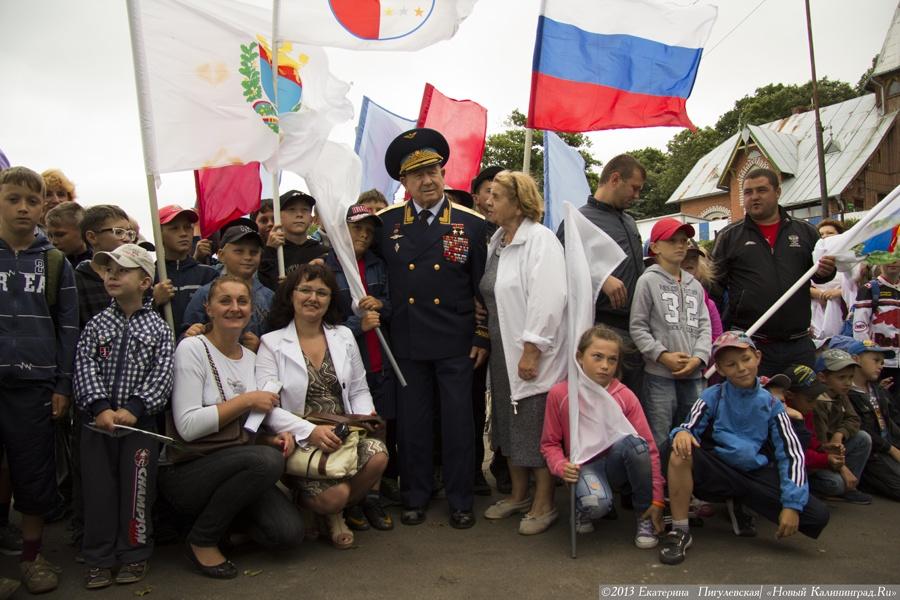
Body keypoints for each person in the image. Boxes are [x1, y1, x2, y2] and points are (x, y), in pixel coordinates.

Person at [377, 128, 489, 529]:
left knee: (459, 423)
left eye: (433, 171)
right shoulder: (385, 224)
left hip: (456, 340)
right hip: (407, 340)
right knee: (413, 425)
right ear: (404, 182)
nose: (427, 180)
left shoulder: (472, 225)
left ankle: (460, 500)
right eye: (417, 175)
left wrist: (482, 335)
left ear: (443, 173)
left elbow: (483, 289)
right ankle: (415, 495)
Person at [159, 275, 303, 579]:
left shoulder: (252, 358)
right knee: (266, 461)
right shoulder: (192, 348)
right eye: (225, 300)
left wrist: (273, 437)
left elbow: (245, 430)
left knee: (288, 534)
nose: (234, 307)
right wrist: (247, 400)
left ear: (251, 309)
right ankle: (203, 540)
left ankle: (224, 525)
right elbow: (187, 427)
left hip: (238, 465)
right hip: (191, 470)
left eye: (242, 301)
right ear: (209, 308)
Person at [660, 332, 829, 566]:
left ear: (758, 357)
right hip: (720, 469)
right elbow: (689, 426)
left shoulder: (772, 404)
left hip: (755, 473)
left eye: (746, 359)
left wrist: (792, 505)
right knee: (678, 448)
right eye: (731, 364)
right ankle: (680, 530)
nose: (741, 368)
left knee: (816, 516)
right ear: (720, 369)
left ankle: (742, 503)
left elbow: (791, 455)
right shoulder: (712, 395)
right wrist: (682, 433)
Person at [255, 265, 389, 549]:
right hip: (302, 438)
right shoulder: (271, 343)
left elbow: (359, 388)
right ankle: (321, 507)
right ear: (291, 295)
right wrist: (310, 432)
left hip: (344, 432)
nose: (312, 298)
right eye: (305, 290)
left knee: (378, 457)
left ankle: (332, 510)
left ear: (330, 299)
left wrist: (364, 418)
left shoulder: (344, 335)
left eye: (321, 292)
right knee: (334, 497)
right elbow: (268, 407)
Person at [73, 244, 174, 589]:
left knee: (137, 492)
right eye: (109, 271)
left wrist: (135, 408)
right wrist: (100, 407)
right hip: (97, 427)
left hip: (139, 428)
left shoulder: (159, 328)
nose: (112, 276)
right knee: (97, 492)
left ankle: (134, 552)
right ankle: (98, 557)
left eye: (123, 270)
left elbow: (162, 373)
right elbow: (84, 366)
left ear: (145, 282)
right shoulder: (96, 325)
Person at [0, 167, 79, 593]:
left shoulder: (54, 262)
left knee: (33, 474)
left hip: (35, 386)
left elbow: (68, 329)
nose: (23, 208)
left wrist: (62, 385)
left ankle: (32, 558)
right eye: (13, 199)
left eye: (32, 201)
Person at [478, 170, 567, 535]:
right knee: (508, 422)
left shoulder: (540, 240)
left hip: (531, 351)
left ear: (518, 204)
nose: (488, 202)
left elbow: (549, 298)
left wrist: (532, 349)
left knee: (534, 426)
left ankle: (544, 502)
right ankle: (518, 495)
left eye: (496, 196)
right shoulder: (498, 240)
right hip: (502, 349)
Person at [541, 326, 664, 546]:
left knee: (637, 445)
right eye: (597, 357)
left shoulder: (625, 396)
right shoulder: (561, 394)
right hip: (585, 465)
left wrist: (656, 499)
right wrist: (561, 466)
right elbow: (549, 443)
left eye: (612, 359)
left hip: (617, 464)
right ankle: (583, 508)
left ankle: (644, 516)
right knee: (596, 505)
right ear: (580, 357)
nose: (605, 365)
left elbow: (649, 448)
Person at [711, 168, 836, 376]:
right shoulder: (729, 237)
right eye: (748, 192)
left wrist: (826, 271)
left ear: (777, 192)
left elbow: (821, 274)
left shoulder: (805, 232)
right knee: (757, 398)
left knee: (805, 396)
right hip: (750, 345)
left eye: (761, 190)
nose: (754, 197)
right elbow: (713, 289)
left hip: (799, 344)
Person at [323, 205, 396, 530]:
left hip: (380, 362)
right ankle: (351, 499)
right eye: (357, 229)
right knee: (352, 431)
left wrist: (380, 304)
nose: (364, 235)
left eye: (369, 230)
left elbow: (391, 305)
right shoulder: (326, 268)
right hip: (347, 369)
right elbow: (323, 324)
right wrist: (358, 324)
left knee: (379, 427)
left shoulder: (379, 264)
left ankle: (372, 497)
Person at [556, 155, 647, 398]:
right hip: (600, 327)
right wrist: (600, 279)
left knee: (631, 406)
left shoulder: (630, 221)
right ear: (615, 179)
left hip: (637, 330)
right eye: (634, 188)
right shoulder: (578, 220)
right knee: (600, 406)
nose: (636, 196)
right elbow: (560, 269)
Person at [630, 218, 711, 450]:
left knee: (693, 432)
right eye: (672, 240)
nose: (680, 245)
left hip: (693, 375)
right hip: (659, 375)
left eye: (684, 241)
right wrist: (662, 355)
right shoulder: (647, 281)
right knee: (660, 435)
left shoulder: (695, 285)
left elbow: (705, 326)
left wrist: (699, 358)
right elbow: (638, 326)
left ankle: (687, 474)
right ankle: (660, 474)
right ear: (655, 247)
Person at [470, 165, 507, 493]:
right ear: (476, 197)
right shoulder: (470, 230)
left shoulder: (516, 233)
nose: (493, 198)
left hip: (511, 330)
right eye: (488, 191)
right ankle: (475, 467)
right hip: (478, 331)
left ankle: (505, 461)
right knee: (476, 402)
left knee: (510, 399)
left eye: (500, 191)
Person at [182, 220, 273, 344]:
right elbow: (186, 336)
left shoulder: (269, 297)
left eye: (254, 252)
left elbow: (278, 341)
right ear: (221, 255)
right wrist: (189, 334)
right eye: (239, 251)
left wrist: (261, 347)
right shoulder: (205, 293)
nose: (247, 257)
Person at [811, 348, 873, 504]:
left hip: (835, 450)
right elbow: (820, 445)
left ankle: (850, 488)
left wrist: (840, 434)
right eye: (841, 377)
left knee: (863, 438)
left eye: (850, 377)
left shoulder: (840, 394)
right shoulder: (816, 402)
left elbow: (854, 419)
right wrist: (843, 469)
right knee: (836, 484)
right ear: (822, 377)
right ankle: (814, 486)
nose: (848, 382)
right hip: (819, 457)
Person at [844, 339, 900, 500]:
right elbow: (861, 428)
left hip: (888, 446)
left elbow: (890, 422)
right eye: (876, 360)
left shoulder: (877, 390)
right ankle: (866, 481)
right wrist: (892, 449)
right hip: (874, 453)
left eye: (882, 362)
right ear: (856, 359)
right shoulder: (847, 393)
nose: (881, 365)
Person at [151, 205, 218, 335]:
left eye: (187, 227)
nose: (183, 233)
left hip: (197, 345)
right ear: (158, 234)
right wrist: (154, 301)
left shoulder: (208, 275)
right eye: (174, 228)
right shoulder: (148, 275)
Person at [75, 205, 136, 328]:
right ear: (92, 237)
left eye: (129, 233)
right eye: (119, 232)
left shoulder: (136, 275)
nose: (127, 239)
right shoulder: (76, 280)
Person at [851, 259, 900, 401]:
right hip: (880, 363)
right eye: (888, 257)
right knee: (881, 404)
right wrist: (868, 358)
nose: (893, 262)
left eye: (897, 257)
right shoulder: (869, 289)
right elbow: (860, 327)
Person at [259, 190, 328, 291]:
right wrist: (270, 250)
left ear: (311, 218)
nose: (299, 214)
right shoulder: (271, 252)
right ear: (278, 216)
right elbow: (264, 286)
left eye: (305, 210)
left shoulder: (324, 253)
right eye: (292, 210)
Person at [810, 219, 848, 342]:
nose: (825, 236)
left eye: (830, 233)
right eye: (821, 234)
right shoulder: (811, 259)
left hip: (841, 312)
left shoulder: (848, 260)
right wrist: (818, 293)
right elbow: (800, 285)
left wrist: (839, 292)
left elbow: (857, 288)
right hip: (815, 314)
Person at [681, 241, 723, 344]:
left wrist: (699, 352)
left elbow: (717, 340)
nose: (690, 261)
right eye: (685, 256)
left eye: (694, 257)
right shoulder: (657, 293)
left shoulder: (708, 302)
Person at [45, 201, 92, 267]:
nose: (53, 242)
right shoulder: (47, 264)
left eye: (60, 235)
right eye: (50, 236)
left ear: (82, 231)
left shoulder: (99, 263)